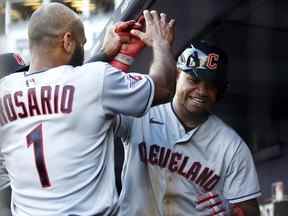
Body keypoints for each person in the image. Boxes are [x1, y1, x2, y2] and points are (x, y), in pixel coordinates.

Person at [0, 2, 176, 216]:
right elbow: (164, 87)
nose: (83, 50)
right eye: (82, 43)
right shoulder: (93, 79)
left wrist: (105, 53)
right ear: (67, 41)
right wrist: (161, 43)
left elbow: (68, 82)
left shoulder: (5, 89)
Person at [115, 41, 261, 215]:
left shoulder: (232, 147)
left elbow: (249, 210)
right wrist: (120, 55)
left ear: (221, 91)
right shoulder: (140, 115)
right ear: (177, 74)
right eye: (194, 79)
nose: (202, 91)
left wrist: (230, 211)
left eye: (211, 85)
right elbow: (94, 101)